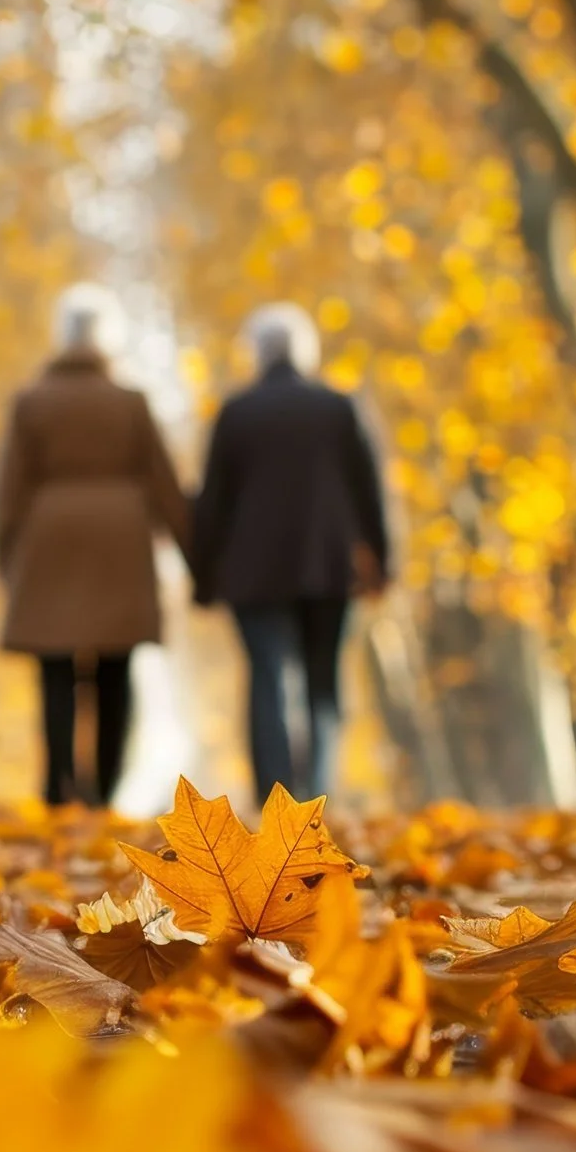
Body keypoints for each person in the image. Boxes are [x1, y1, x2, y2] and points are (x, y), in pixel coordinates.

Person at [0, 284, 190, 807]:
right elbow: (166, 486)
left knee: (54, 668)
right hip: (120, 546)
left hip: (49, 544)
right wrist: (198, 558)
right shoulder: (131, 403)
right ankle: (104, 790)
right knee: (116, 670)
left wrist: (6, 559)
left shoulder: (31, 403)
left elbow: (8, 491)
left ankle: (58, 786)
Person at [190, 303, 389, 801]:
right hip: (327, 566)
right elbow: (370, 491)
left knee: (268, 681)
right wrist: (382, 561)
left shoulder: (236, 414)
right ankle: (318, 795)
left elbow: (212, 501)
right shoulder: (338, 408)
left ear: (256, 354)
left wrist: (202, 576)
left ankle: (275, 800)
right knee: (324, 681)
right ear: (306, 351)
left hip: (252, 574)